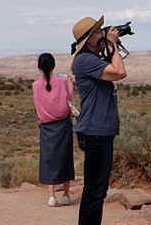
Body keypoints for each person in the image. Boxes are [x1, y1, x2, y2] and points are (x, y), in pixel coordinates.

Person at [70, 15, 127, 225]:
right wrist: (111, 44)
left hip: (101, 131)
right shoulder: (85, 60)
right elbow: (120, 72)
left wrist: (110, 46)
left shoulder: (94, 60)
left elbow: (114, 67)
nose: (101, 32)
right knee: (94, 191)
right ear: (88, 39)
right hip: (95, 132)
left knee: (98, 191)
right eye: (97, 31)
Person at [32, 52, 75, 207]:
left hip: (46, 127)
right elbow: (69, 98)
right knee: (65, 157)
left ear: (39, 67)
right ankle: (65, 194)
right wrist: (70, 82)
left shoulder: (35, 85)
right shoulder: (62, 82)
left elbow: (37, 105)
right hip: (63, 125)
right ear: (53, 65)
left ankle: (51, 196)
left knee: (49, 159)